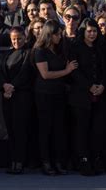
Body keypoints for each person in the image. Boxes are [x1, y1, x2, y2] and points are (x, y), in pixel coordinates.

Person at [33, 19, 77, 175]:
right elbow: (45, 74)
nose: (60, 37)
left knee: (59, 128)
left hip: (59, 93)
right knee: (45, 128)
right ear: (50, 35)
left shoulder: (60, 49)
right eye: (58, 34)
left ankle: (58, 161)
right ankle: (46, 162)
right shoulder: (39, 50)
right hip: (44, 94)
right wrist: (67, 71)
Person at [68, 18, 106, 176]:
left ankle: (95, 158)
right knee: (82, 129)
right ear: (83, 31)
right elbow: (74, 71)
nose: (92, 34)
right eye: (89, 31)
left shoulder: (101, 47)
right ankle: (83, 159)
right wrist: (89, 86)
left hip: (100, 94)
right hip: (81, 95)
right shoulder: (75, 47)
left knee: (97, 129)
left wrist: (102, 85)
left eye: (95, 31)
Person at [0, 26, 34, 174]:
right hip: (7, 96)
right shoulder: (7, 53)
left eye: (19, 38)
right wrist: (4, 85)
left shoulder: (29, 53)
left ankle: (20, 161)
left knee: (20, 129)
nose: (16, 41)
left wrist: (12, 86)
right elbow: (0, 72)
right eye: (13, 39)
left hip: (22, 96)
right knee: (11, 129)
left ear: (25, 38)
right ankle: (12, 160)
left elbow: (25, 72)